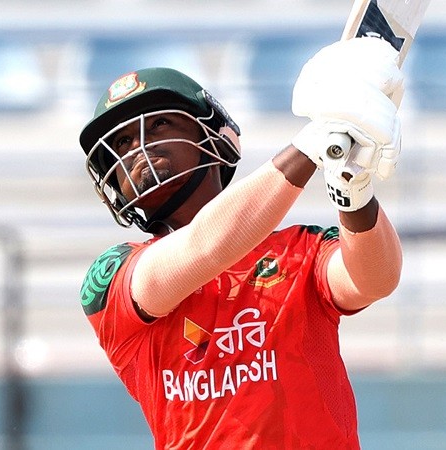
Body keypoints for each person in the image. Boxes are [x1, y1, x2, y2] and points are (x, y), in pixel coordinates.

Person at [78, 36, 404, 449]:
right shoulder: (111, 275)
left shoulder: (300, 248)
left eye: (158, 124)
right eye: (122, 143)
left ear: (216, 136)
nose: (137, 149)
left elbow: (374, 280)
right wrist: (315, 140)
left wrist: (353, 189)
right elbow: (204, 248)